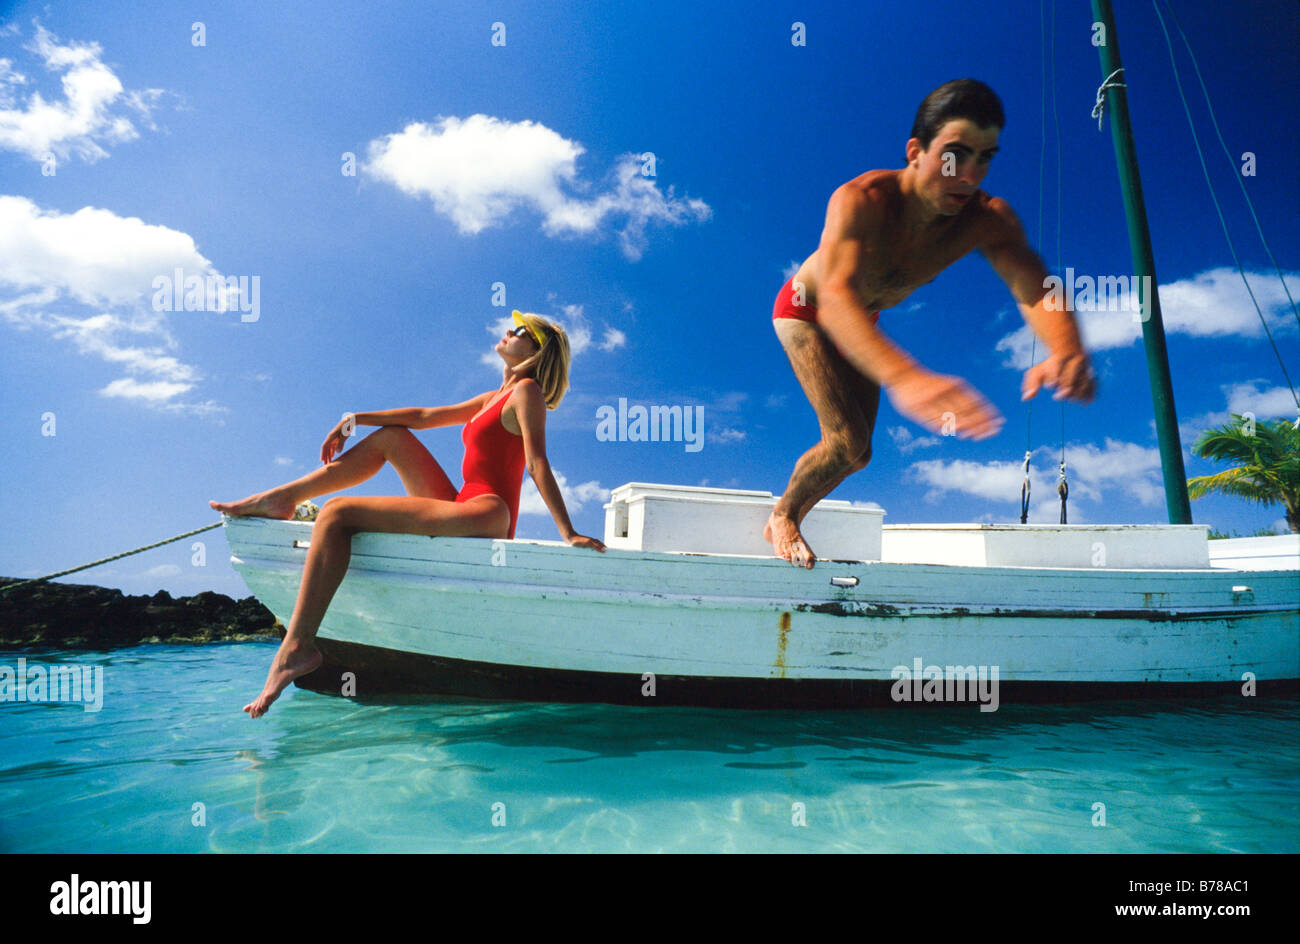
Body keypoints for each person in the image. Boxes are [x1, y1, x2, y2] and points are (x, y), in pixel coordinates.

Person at [765, 78, 1098, 569]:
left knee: (860, 455)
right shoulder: (863, 200)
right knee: (846, 440)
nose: (969, 174)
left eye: (985, 157)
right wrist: (904, 377)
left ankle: (789, 513)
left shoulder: (986, 219)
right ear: (915, 151)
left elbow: (1034, 286)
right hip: (806, 311)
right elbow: (835, 298)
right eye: (955, 154)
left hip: (864, 318)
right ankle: (784, 516)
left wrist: (1066, 348)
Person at [211, 310, 606, 717]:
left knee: (336, 514)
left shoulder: (527, 392)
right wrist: (355, 419)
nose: (508, 331)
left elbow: (536, 463)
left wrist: (568, 531)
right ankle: (283, 498)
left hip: (488, 511)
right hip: (461, 501)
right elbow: (424, 418)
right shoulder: (493, 397)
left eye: (521, 331)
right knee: (393, 437)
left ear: (538, 352)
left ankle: (298, 647)